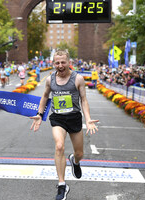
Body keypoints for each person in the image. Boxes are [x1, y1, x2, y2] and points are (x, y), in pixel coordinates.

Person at [30, 50, 98, 200]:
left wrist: (88, 119)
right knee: (59, 146)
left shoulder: (78, 79)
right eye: (57, 63)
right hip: (58, 118)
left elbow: (84, 100)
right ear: (53, 63)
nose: (60, 65)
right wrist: (40, 115)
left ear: (68, 62)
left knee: (80, 153)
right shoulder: (50, 80)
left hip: (74, 118)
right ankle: (62, 185)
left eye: (63, 62)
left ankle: (75, 160)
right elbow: (45, 97)